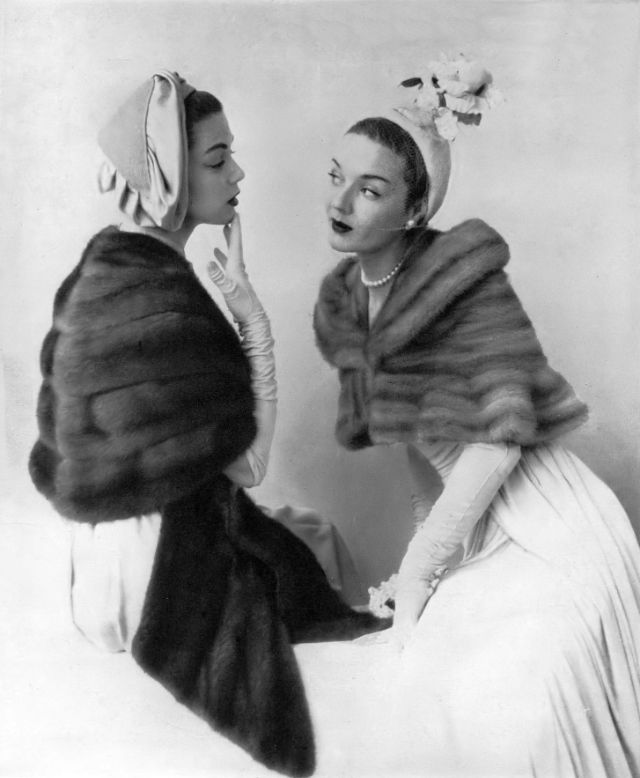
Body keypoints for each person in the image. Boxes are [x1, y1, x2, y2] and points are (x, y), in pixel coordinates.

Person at [28, 69, 384, 778]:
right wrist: (253, 322)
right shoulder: (168, 303)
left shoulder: (102, 272)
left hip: (91, 576)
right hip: (154, 580)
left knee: (308, 536)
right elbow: (248, 469)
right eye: (218, 160)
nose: (238, 173)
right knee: (312, 553)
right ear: (169, 180)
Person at [313, 56, 640, 776]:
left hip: (553, 534)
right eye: (337, 176)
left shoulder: (467, 285)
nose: (341, 200)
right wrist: (428, 573)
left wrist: (422, 567)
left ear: (413, 211)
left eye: (370, 189)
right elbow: (420, 456)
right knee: (416, 686)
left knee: (515, 707)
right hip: (472, 536)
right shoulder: (347, 303)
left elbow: (497, 446)